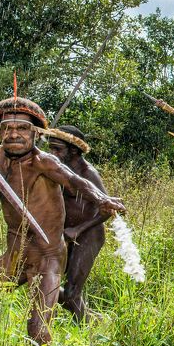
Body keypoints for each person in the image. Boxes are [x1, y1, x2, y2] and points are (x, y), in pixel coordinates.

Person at [0, 86, 124, 346]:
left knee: (37, 331)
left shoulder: (44, 162)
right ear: (0, 132)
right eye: (7, 128)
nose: (13, 134)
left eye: (22, 128)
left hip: (46, 258)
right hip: (14, 255)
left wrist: (102, 199)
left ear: (36, 133)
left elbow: (75, 181)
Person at [46, 125, 109, 322]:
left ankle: (87, 328)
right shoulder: (56, 168)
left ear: (73, 150)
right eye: (51, 148)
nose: (52, 153)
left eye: (57, 149)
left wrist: (78, 229)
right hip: (65, 233)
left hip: (89, 233)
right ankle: (90, 317)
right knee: (46, 282)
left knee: (72, 292)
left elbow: (107, 209)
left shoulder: (88, 173)